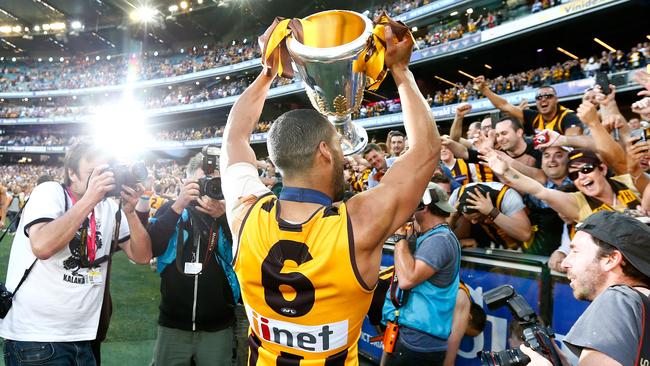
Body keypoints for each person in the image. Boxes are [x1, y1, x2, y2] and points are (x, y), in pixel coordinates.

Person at [220, 25, 440, 365]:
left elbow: (234, 137)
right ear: (324, 151)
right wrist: (400, 69)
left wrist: (267, 73)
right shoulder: (358, 223)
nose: (344, 154)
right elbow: (425, 150)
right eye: (339, 147)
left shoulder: (244, 214)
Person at [0, 141, 152, 366]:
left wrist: (130, 212)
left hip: (83, 337)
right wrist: (90, 199)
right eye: (94, 173)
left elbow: (142, 256)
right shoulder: (50, 191)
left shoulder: (110, 208)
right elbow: (42, 246)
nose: (102, 180)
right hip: (37, 338)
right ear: (71, 172)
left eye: (106, 173)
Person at [520, 211, 650, 366]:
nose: (565, 263)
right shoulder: (640, 302)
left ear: (611, 259)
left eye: (575, 251)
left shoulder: (618, 300)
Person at [145, 153, 238, 366]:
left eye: (212, 182)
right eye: (200, 183)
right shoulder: (171, 209)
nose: (206, 189)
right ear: (185, 181)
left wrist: (223, 218)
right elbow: (151, 247)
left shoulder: (231, 214)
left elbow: (243, 253)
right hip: (173, 324)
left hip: (218, 325)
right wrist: (179, 205)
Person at [381, 183, 461, 365]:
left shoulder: (440, 240)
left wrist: (400, 238)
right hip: (410, 334)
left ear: (422, 206)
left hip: (418, 340)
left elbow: (407, 279)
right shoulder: (428, 236)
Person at [483, 148, 646, 223]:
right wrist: (507, 171)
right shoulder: (576, 202)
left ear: (602, 169)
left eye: (587, 169)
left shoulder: (626, 181)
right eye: (574, 175)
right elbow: (540, 191)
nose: (581, 177)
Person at [474, 76, 583, 136]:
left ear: (556, 99)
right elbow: (503, 105)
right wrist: (484, 89)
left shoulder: (568, 117)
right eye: (539, 97)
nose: (543, 99)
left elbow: (574, 139)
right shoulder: (533, 117)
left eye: (548, 96)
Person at [449, 182, 532, 249]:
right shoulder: (457, 195)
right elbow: (439, 233)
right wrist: (452, 217)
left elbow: (525, 235)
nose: (473, 222)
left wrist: (492, 212)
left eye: (476, 218)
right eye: (469, 218)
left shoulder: (507, 197)